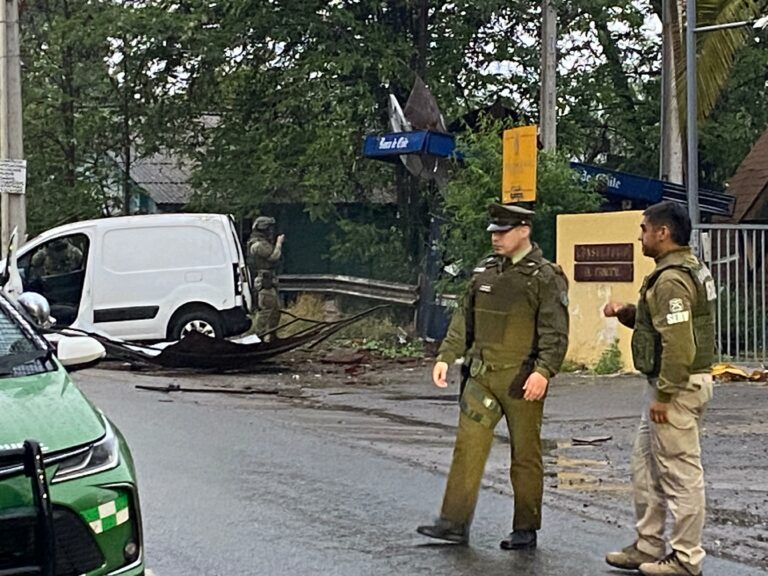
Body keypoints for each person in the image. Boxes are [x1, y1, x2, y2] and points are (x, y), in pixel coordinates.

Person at [416, 202, 569, 549]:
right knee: (467, 448)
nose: (496, 239)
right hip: (481, 375)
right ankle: (453, 523)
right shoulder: (484, 272)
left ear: (524, 231)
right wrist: (446, 355)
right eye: (494, 232)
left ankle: (525, 528)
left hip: (521, 379)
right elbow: (463, 318)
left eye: (503, 232)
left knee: (525, 455)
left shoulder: (545, 277)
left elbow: (555, 332)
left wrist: (544, 371)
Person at [604, 201, 716, 576]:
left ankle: (686, 559)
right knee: (646, 468)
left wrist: (666, 395)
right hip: (668, 385)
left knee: (680, 473)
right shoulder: (682, 269)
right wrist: (628, 315)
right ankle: (648, 546)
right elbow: (666, 327)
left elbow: (680, 343)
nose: (640, 236)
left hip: (677, 388)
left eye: (643, 229)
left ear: (662, 232)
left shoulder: (670, 280)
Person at [247, 216, 285, 341]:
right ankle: (260, 336)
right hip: (264, 281)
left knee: (275, 309)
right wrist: (279, 243)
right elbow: (274, 256)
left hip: (269, 279)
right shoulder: (258, 244)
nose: (271, 231)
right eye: (269, 228)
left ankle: (272, 335)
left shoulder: (260, 242)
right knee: (266, 309)